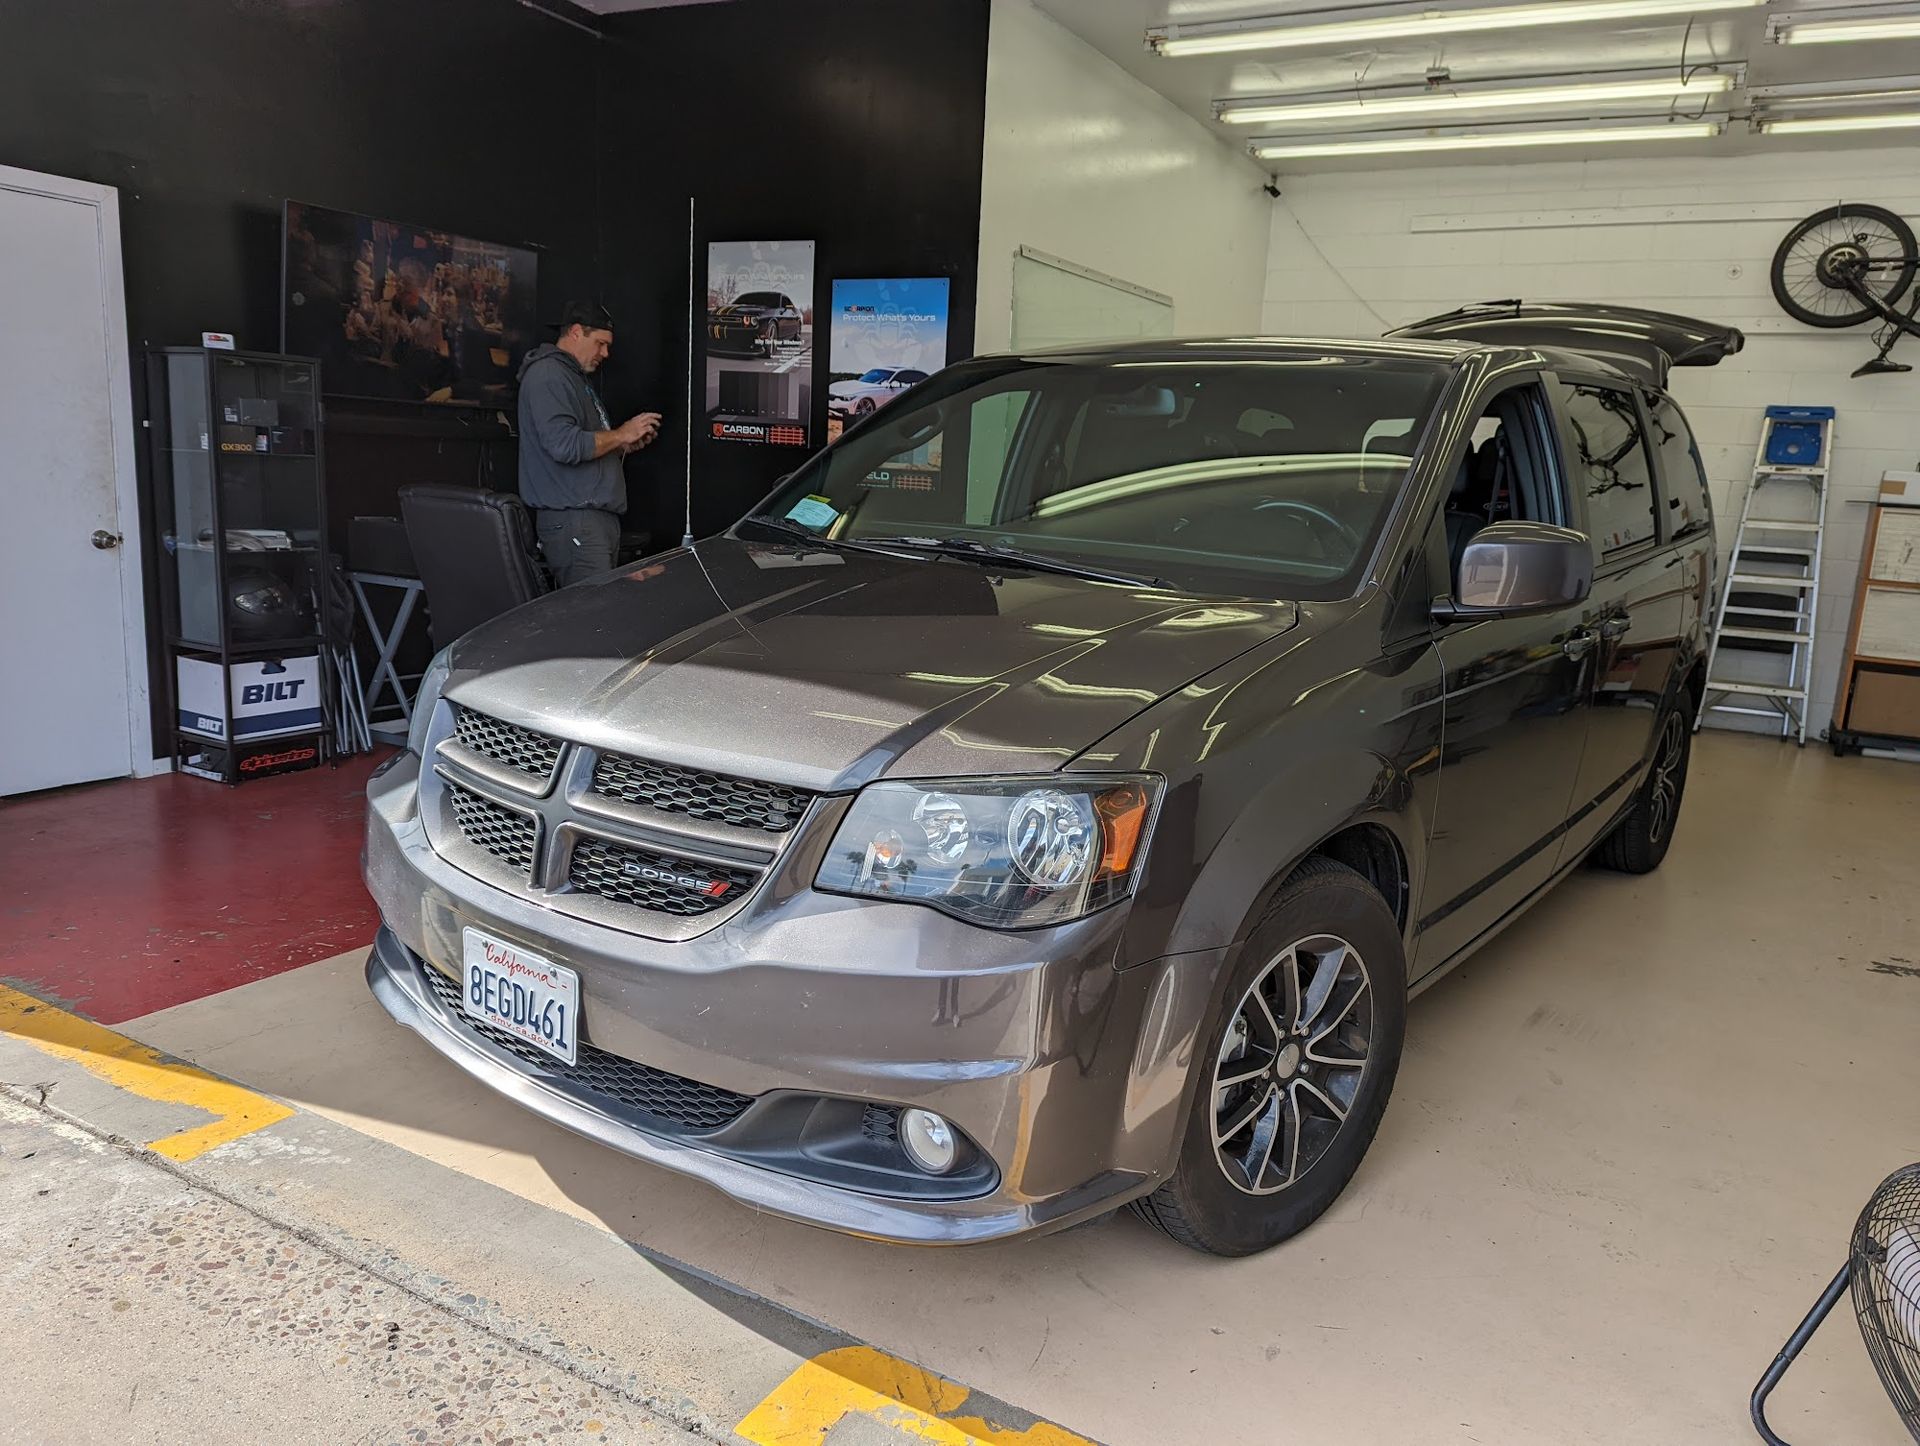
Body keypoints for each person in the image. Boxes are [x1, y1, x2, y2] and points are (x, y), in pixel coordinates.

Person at [516, 302, 661, 586]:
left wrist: (624, 445)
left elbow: (577, 443)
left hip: (589, 520)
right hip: (575, 520)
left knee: (599, 614)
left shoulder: (570, 376)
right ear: (576, 332)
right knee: (591, 618)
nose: (605, 353)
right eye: (600, 344)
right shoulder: (548, 375)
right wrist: (621, 434)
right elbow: (563, 445)